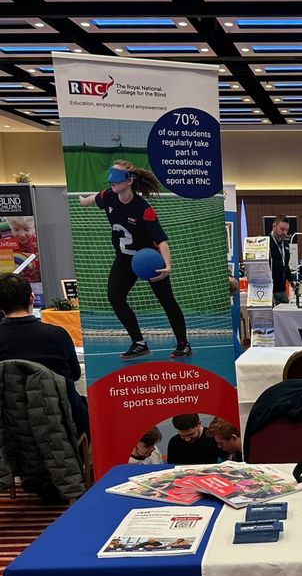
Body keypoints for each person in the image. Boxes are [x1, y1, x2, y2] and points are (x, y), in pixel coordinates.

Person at [78, 161, 191, 360]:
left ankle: (183, 344)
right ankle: (138, 342)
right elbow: (91, 200)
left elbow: (162, 241)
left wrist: (167, 266)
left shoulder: (143, 209)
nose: (111, 180)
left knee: (166, 300)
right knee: (115, 295)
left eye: (116, 175)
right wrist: (82, 200)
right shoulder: (108, 196)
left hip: (148, 258)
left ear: (129, 180)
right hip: (124, 258)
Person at [0, 272, 89, 439]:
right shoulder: (58, 335)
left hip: (11, 428)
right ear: (32, 298)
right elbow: (75, 375)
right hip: (61, 424)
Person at [268, 215, 294, 306]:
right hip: (269, 290)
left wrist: (291, 280)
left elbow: (285, 265)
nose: (284, 233)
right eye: (282, 229)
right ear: (274, 226)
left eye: (286, 230)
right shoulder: (266, 242)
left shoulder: (285, 244)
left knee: (285, 315)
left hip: (282, 290)